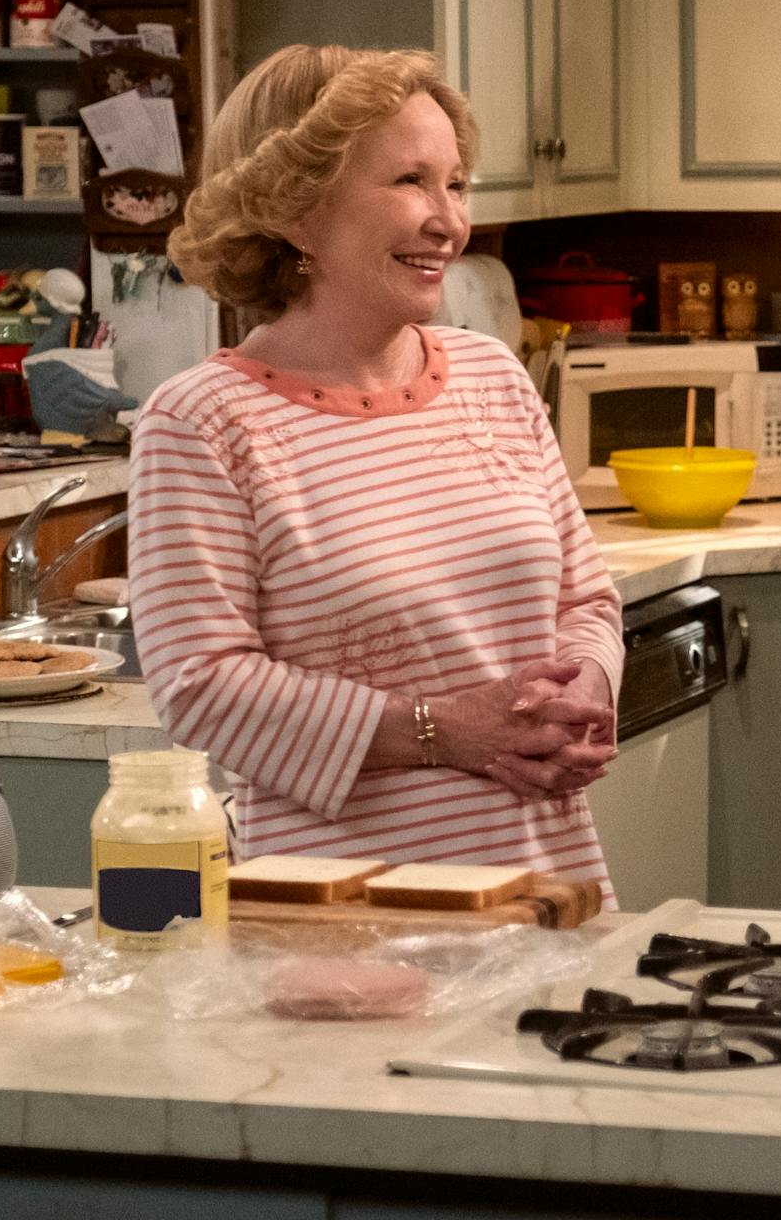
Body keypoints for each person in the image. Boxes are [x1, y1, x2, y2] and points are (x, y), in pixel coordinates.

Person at [129, 45, 623, 889]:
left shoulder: (492, 376)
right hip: (347, 914)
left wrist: (586, 691)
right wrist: (446, 729)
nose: (449, 221)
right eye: (410, 182)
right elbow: (200, 685)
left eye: (456, 184)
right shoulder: (203, 423)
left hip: (549, 889)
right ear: (297, 210)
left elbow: (585, 597)